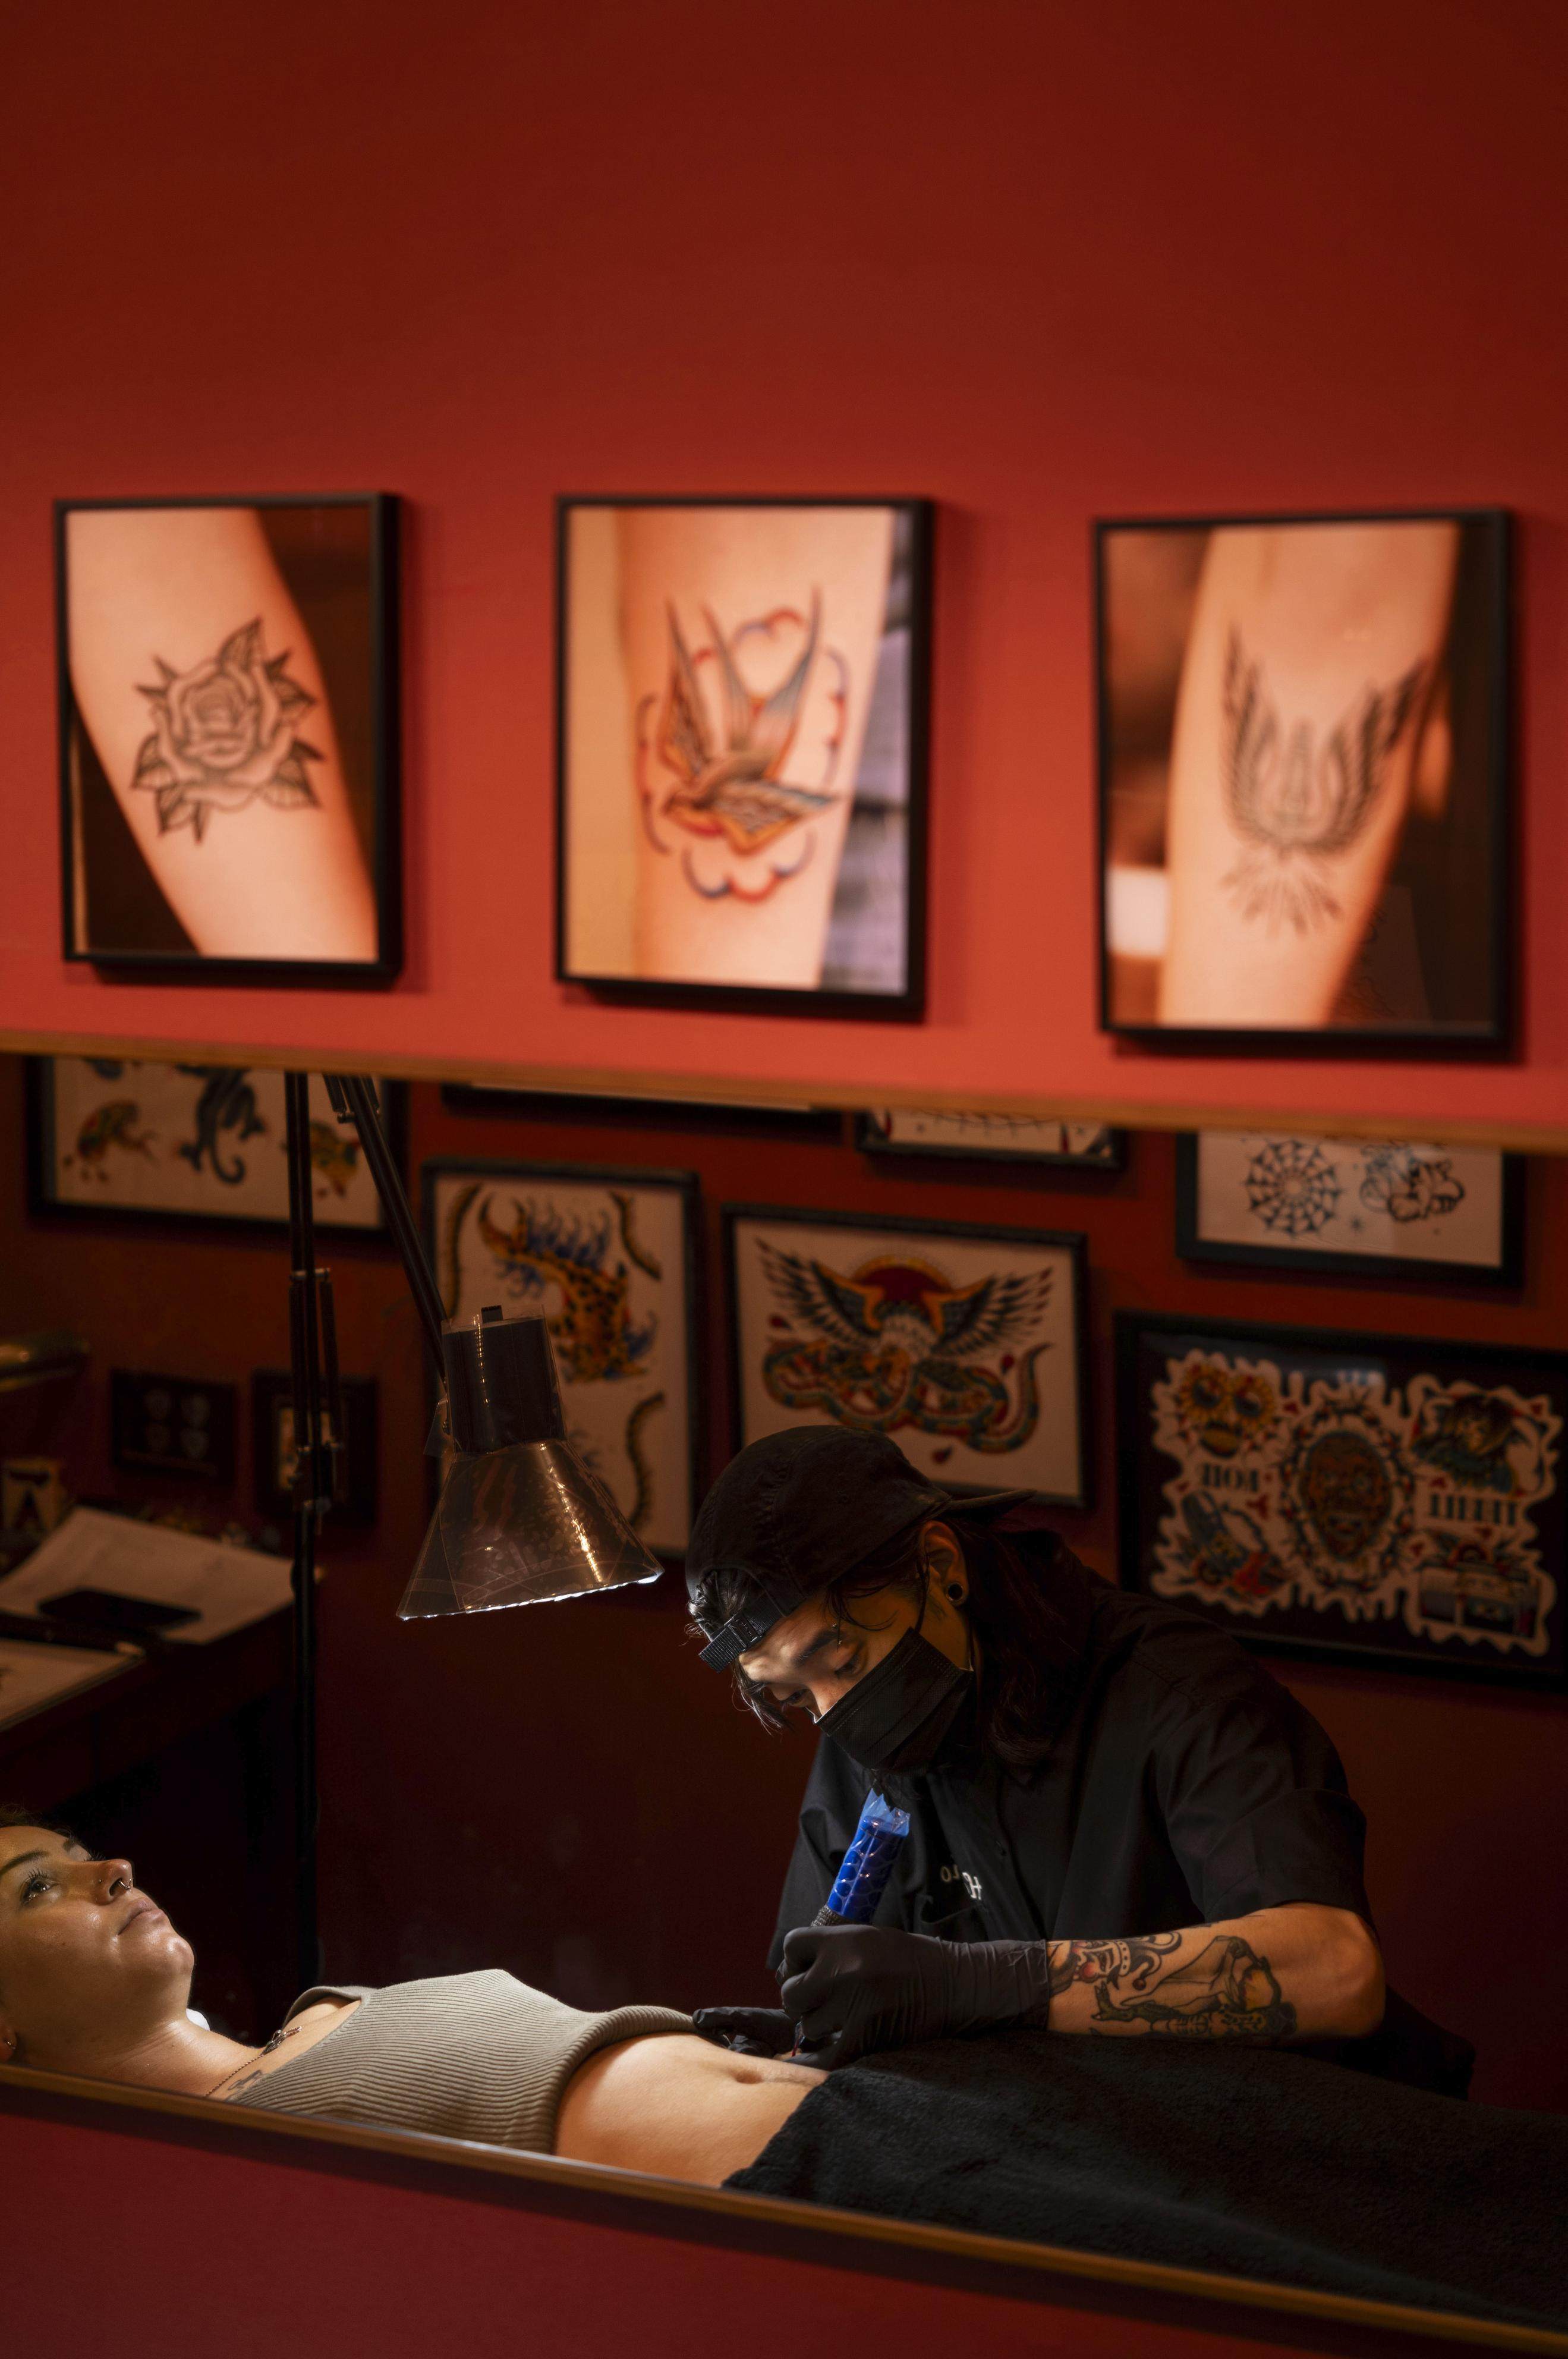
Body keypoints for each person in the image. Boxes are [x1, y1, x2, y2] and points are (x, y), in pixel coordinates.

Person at [685, 1428, 1467, 2090]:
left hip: (1306, 2143)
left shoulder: (1176, 1691)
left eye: (846, 1660)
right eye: (792, 1696)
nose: (831, 1714)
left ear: (940, 1567)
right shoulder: (864, 1751)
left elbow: (1335, 1973)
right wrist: (818, 2031)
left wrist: (988, 1985)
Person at [0, 1808, 821, 2185]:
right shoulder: (233, 2169)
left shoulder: (313, 2015)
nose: (112, 1871)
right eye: (38, 1890)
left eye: (79, 1852)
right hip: (832, 2212)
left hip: (855, 2095)